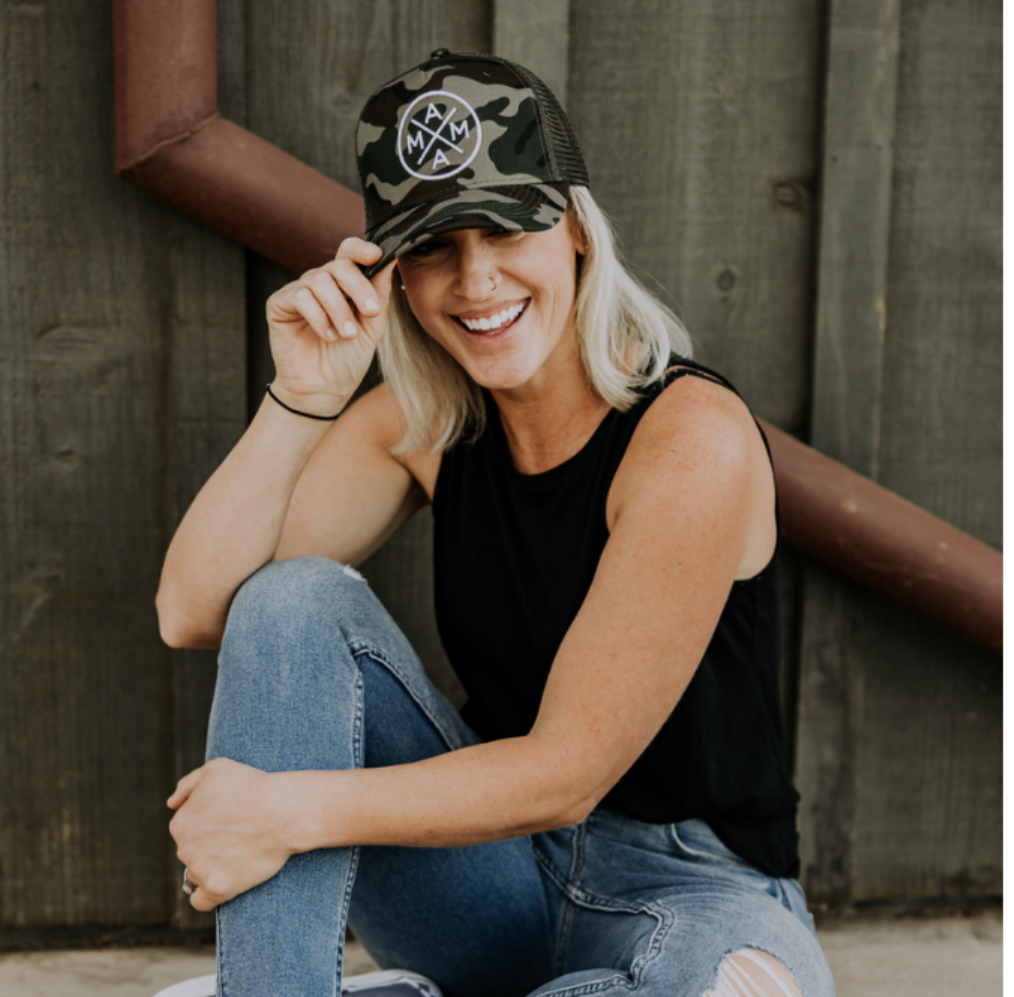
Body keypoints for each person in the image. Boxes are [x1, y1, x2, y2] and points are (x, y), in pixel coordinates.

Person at [156, 50, 836, 997]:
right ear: (393, 274)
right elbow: (194, 610)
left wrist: (285, 809)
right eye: (435, 246)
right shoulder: (423, 426)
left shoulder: (690, 439)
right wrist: (300, 397)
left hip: (693, 894)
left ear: (575, 230)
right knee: (289, 598)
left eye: (505, 227)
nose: (475, 280)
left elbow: (568, 771)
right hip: (490, 878)